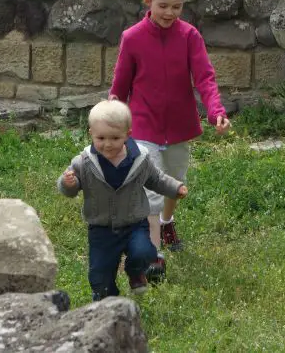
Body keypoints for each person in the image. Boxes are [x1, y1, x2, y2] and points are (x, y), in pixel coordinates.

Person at [109, 0, 231, 257]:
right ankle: (153, 257)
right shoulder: (132, 38)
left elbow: (205, 78)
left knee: (173, 184)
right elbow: (120, 86)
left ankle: (167, 222)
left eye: (176, 7)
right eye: (163, 6)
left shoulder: (190, 36)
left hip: (178, 126)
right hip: (142, 126)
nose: (169, 13)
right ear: (147, 1)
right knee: (151, 189)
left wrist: (216, 112)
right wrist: (112, 122)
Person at [57, 99, 187, 300]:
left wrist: (174, 187)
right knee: (100, 272)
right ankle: (106, 299)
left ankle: (135, 272)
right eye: (101, 138)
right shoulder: (83, 162)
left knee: (145, 253)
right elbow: (69, 191)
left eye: (115, 138)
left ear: (128, 134)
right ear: (90, 133)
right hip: (101, 228)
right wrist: (69, 183)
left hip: (135, 223)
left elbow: (156, 179)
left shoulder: (140, 158)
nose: (107, 144)